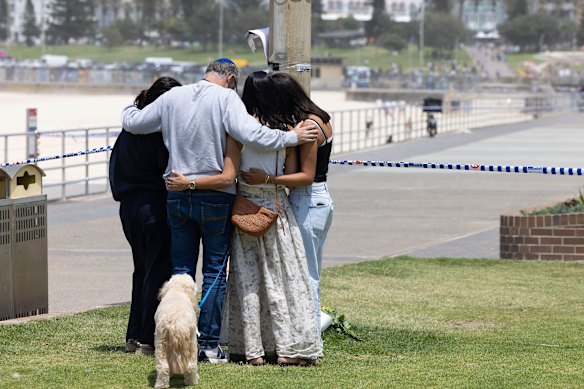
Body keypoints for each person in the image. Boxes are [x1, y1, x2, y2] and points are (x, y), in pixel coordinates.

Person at [120, 58, 318, 363]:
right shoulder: (226, 98)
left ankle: (175, 339)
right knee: (214, 273)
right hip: (216, 196)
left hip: (177, 193)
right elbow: (253, 135)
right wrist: (293, 137)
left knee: (181, 274)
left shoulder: (174, 96)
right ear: (230, 79)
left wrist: (128, 109)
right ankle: (209, 345)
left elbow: (135, 123)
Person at [222, 71, 322, 366]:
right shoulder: (287, 132)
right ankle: (288, 348)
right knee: (284, 278)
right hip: (277, 208)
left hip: (245, 209)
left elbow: (232, 171)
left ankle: (252, 349)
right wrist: (270, 177)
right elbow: (291, 177)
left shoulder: (239, 132)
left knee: (248, 280)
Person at [241, 72, 334, 340]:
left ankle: (309, 332)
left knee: (306, 272)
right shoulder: (322, 118)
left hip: (307, 198)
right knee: (311, 267)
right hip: (321, 197)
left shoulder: (308, 126)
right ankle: (311, 326)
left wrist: (268, 178)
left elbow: (304, 175)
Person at [109, 76, 181, 356]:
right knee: (158, 271)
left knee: (142, 269)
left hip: (128, 207)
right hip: (154, 207)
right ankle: (148, 339)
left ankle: (134, 336)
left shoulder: (130, 128)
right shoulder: (159, 132)